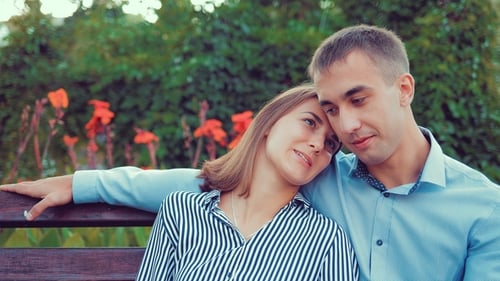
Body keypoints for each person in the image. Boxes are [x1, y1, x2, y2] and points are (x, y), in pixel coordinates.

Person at [1, 24, 499, 281]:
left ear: (404, 88)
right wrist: (84, 183)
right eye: (328, 109)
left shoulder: (484, 210)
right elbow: (214, 183)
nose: (345, 127)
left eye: (359, 99)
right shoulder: (326, 176)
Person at [134, 84, 358, 280]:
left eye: (331, 144)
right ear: (270, 123)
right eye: (309, 122)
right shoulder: (182, 212)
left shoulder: (326, 240)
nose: (318, 144)